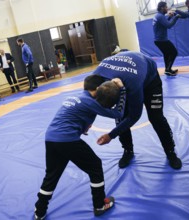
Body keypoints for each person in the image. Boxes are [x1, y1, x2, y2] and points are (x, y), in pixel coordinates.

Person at [34, 75, 127, 220]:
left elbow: (76, 116)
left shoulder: (75, 97)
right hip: (67, 139)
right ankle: (99, 205)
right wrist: (122, 90)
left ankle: (39, 212)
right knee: (95, 166)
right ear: (98, 89)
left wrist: (83, 127)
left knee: (52, 175)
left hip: (51, 138)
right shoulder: (90, 102)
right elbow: (118, 113)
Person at [92, 51, 182, 170]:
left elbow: (134, 116)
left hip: (150, 81)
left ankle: (170, 151)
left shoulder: (133, 84)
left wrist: (111, 135)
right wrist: (85, 124)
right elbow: (86, 102)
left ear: (121, 92)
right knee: (120, 116)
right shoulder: (96, 77)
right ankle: (128, 150)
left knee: (156, 118)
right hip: (129, 70)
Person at [153, 1, 181, 76]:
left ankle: (167, 70)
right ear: (162, 8)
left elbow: (164, 24)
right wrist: (176, 18)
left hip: (159, 40)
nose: (167, 8)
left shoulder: (158, 15)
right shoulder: (160, 16)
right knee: (174, 52)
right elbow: (168, 26)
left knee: (167, 54)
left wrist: (169, 17)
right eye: (166, 7)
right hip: (162, 40)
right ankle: (168, 69)